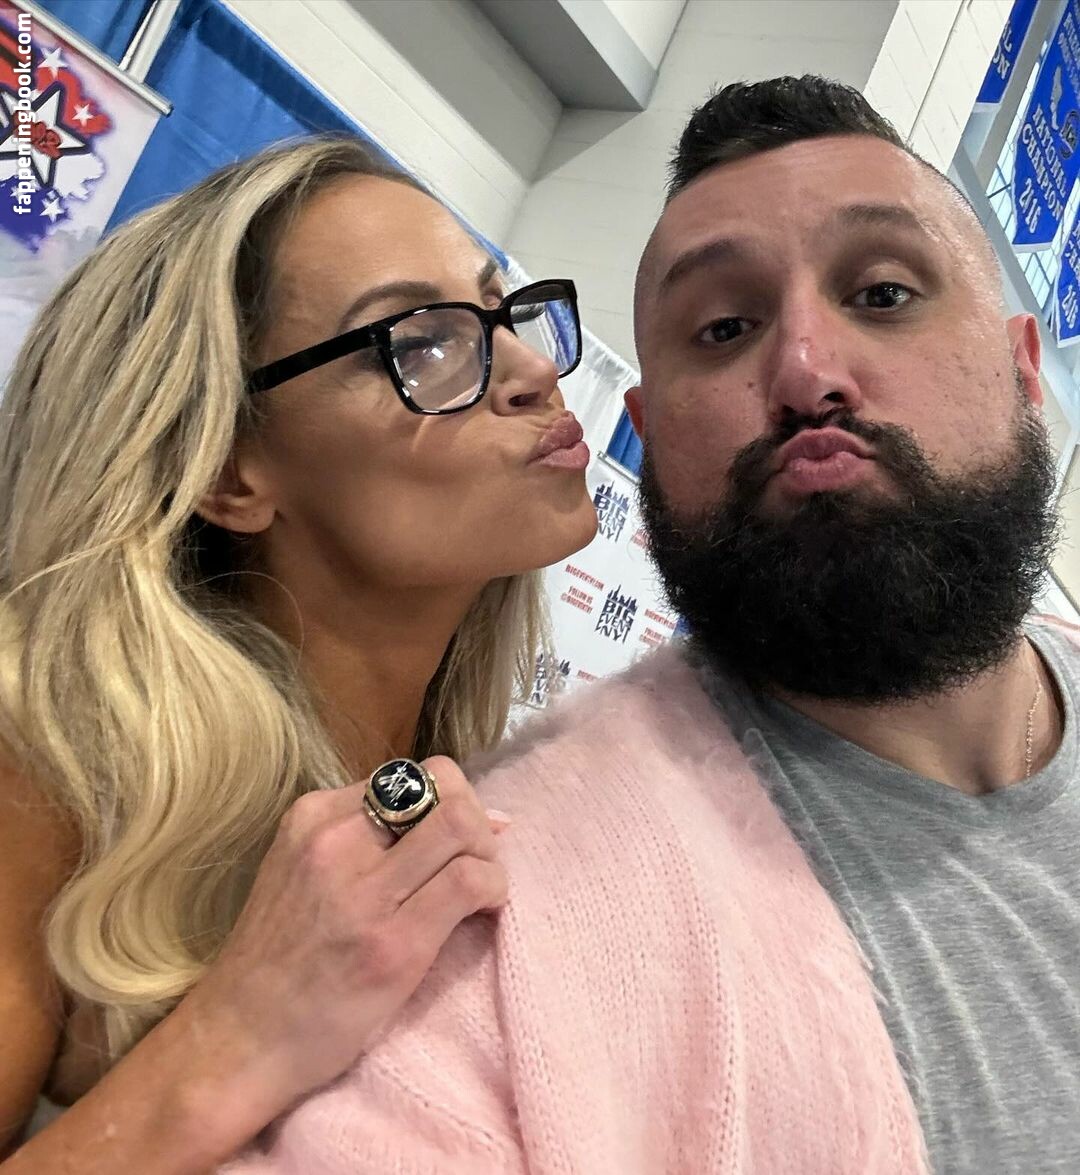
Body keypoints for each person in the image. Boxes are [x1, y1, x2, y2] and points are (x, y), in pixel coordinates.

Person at [219, 77, 1080, 1175]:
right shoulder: (494, 948)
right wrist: (215, 1057)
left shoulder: (434, 756)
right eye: (723, 327)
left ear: (1023, 368)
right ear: (650, 435)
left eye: (883, 292)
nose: (806, 373)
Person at [0, 136, 597, 1171]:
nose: (534, 371)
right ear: (230, 471)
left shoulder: (500, 799)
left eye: (501, 311)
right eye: (423, 343)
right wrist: (236, 1034)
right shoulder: (46, 767)